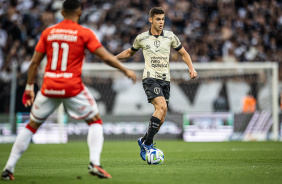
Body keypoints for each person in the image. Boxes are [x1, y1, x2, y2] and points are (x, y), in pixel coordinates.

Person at [1, 0, 136, 180]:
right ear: (79, 13)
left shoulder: (49, 32)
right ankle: (94, 163)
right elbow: (104, 56)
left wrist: (29, 87)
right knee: (95, 121)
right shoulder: (84, 33)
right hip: (72, 88)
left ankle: (8, 168)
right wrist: (125, 69)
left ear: (62, 13)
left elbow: (34, 62)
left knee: (31, 126)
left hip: (48, 87)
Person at [116, 7, 197, 161]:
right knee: (161, 107)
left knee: (162, 118)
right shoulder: (142, 38)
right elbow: (129, 52)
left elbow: (183, 53)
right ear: (151, 20)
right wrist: (114, 58)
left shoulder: (170, 36)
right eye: (158, 19)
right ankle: (148, 143)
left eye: (163, 19)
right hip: (150, 78)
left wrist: (191, 68)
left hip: (165, 80)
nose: (161, 22)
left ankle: (144, 140)